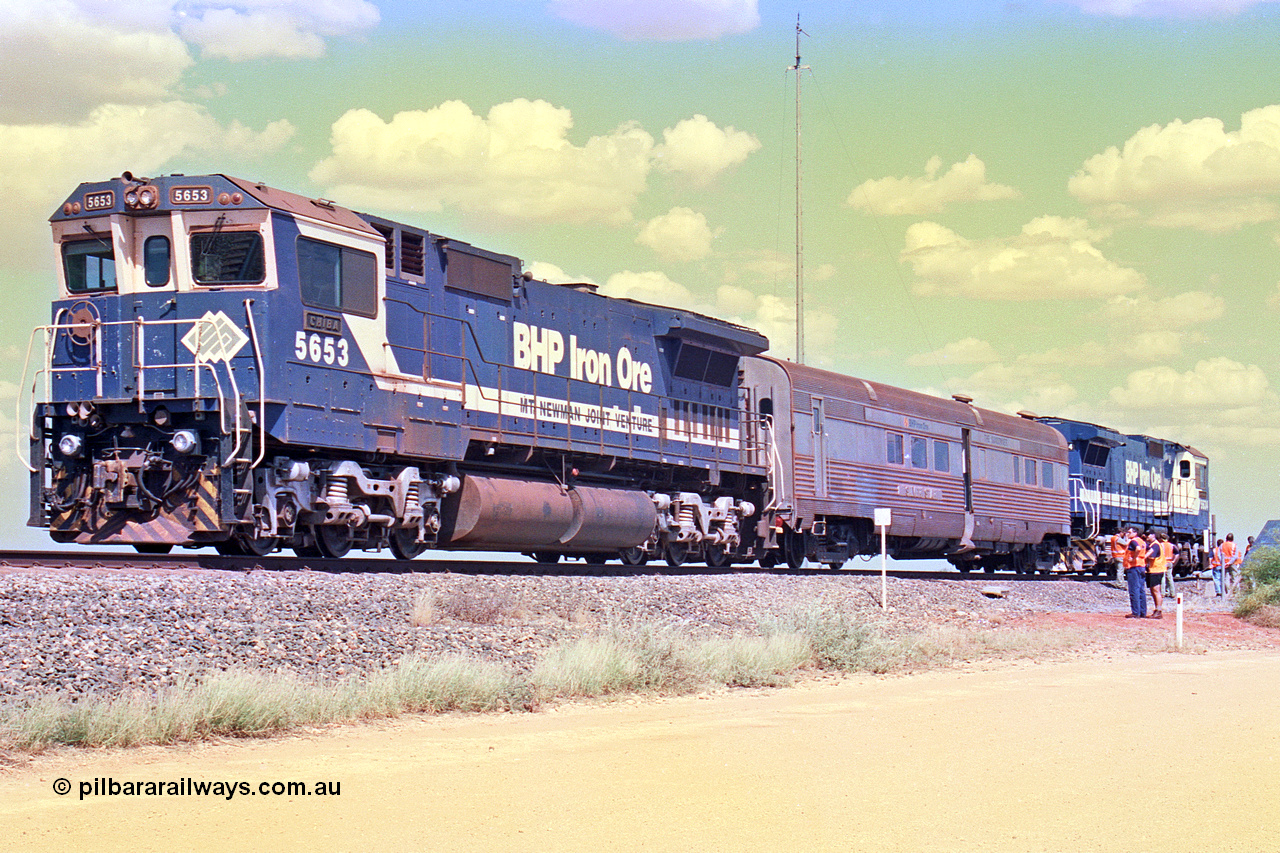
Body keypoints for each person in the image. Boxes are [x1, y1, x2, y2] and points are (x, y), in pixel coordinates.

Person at [1145, 532, 1170, 619]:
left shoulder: (1155, 545)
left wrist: (1143, 556)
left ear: (1153, 535)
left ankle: (1158, 610)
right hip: (1152, 570)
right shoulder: (1152, 545)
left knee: (1156, 590)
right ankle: (1156, 609)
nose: (1147, 537)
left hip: (1157, 570)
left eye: (1148, 535)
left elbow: (1151, 556)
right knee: (1153, 590)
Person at [1123, 528, 1147, 618]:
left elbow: (1137, 548)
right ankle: (1143, 612)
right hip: (1141, 566)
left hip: (1134, 567)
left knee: (1134, 589)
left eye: (1129, 532)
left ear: (1135, 533)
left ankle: (1135, 612)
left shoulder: (1133, 541)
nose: (1127, 534)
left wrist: (1133, 559)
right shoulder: (1142, 541)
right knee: (1141, 589)